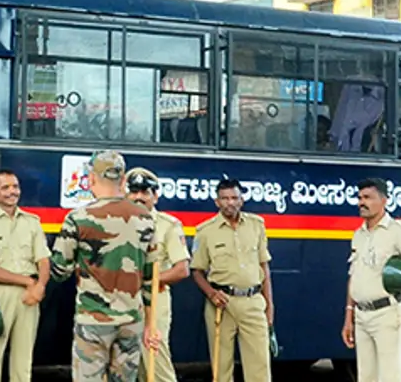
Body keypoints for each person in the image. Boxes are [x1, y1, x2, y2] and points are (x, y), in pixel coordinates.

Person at [50, 150, 161, 382]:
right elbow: (152, 279)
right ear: (122, 181)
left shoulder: (78, 218)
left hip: (92, 321)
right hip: (131, 320)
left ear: (90, 178)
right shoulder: (145, 218)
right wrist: (151, 324)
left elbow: (60, 270)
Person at [341, 178, 401, 382]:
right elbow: (354, 276)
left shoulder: (397, 231)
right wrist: (349, 316)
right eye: (359, 197)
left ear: (384, 201)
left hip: (387, 315)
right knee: (366, 378)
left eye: (368, 198)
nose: (361, 203)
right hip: (362, 316)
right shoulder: (359, 235)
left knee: (390, 378)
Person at [190, 179, 275, 382]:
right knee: (221, 368)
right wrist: (211, 294)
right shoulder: (205, 231)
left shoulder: (256, 225)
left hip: (253, 301)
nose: (230, 202)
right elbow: (196, 270)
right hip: (221, 303)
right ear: (216, 202)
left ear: (242, 200)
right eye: (225, 198)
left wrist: (269, 307)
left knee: (260, 367)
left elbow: (264, 267)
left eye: (234, 198)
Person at [0, 170, 50, 382]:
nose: (12, 192)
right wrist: (30, 282)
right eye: (5, 188)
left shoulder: (32, 221)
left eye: (15, 187)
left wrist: (40, 287)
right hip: (0, 294)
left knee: (23, 359)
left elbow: (44, 260)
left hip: (30, 297)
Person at [125, 167, 190, 382]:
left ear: (155, 196)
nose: (138, 197)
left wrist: (148, 280)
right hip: (121, 300)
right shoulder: (117, 222)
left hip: (154, 298)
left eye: (145, 192)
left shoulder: (167, 225)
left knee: (155, 359)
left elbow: (182, 269)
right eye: (134, 192)